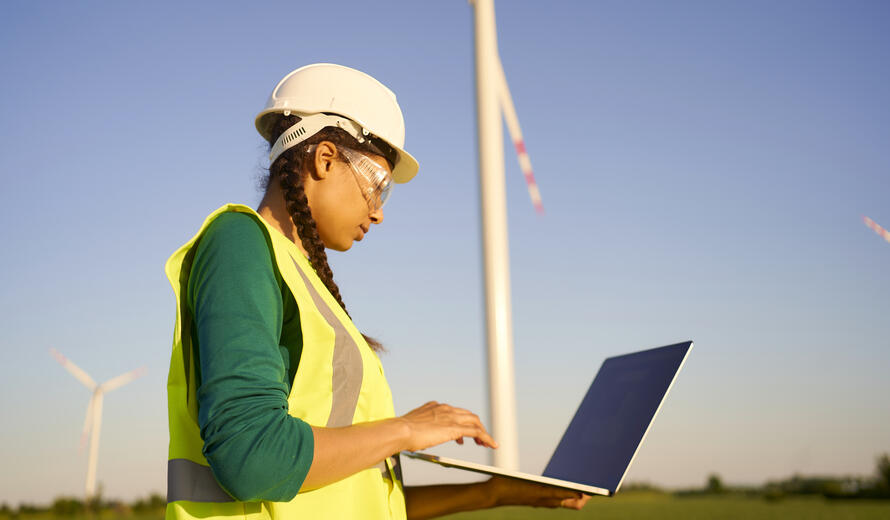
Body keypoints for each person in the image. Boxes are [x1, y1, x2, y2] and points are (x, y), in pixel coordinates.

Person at [164, 63, 591, 520]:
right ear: (324, 158)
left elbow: (362, 501)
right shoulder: (240, 243)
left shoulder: (307, 283)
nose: (379, 212)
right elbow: (253, 459)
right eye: (379, 188)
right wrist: (404, 430)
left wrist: (493, 493)